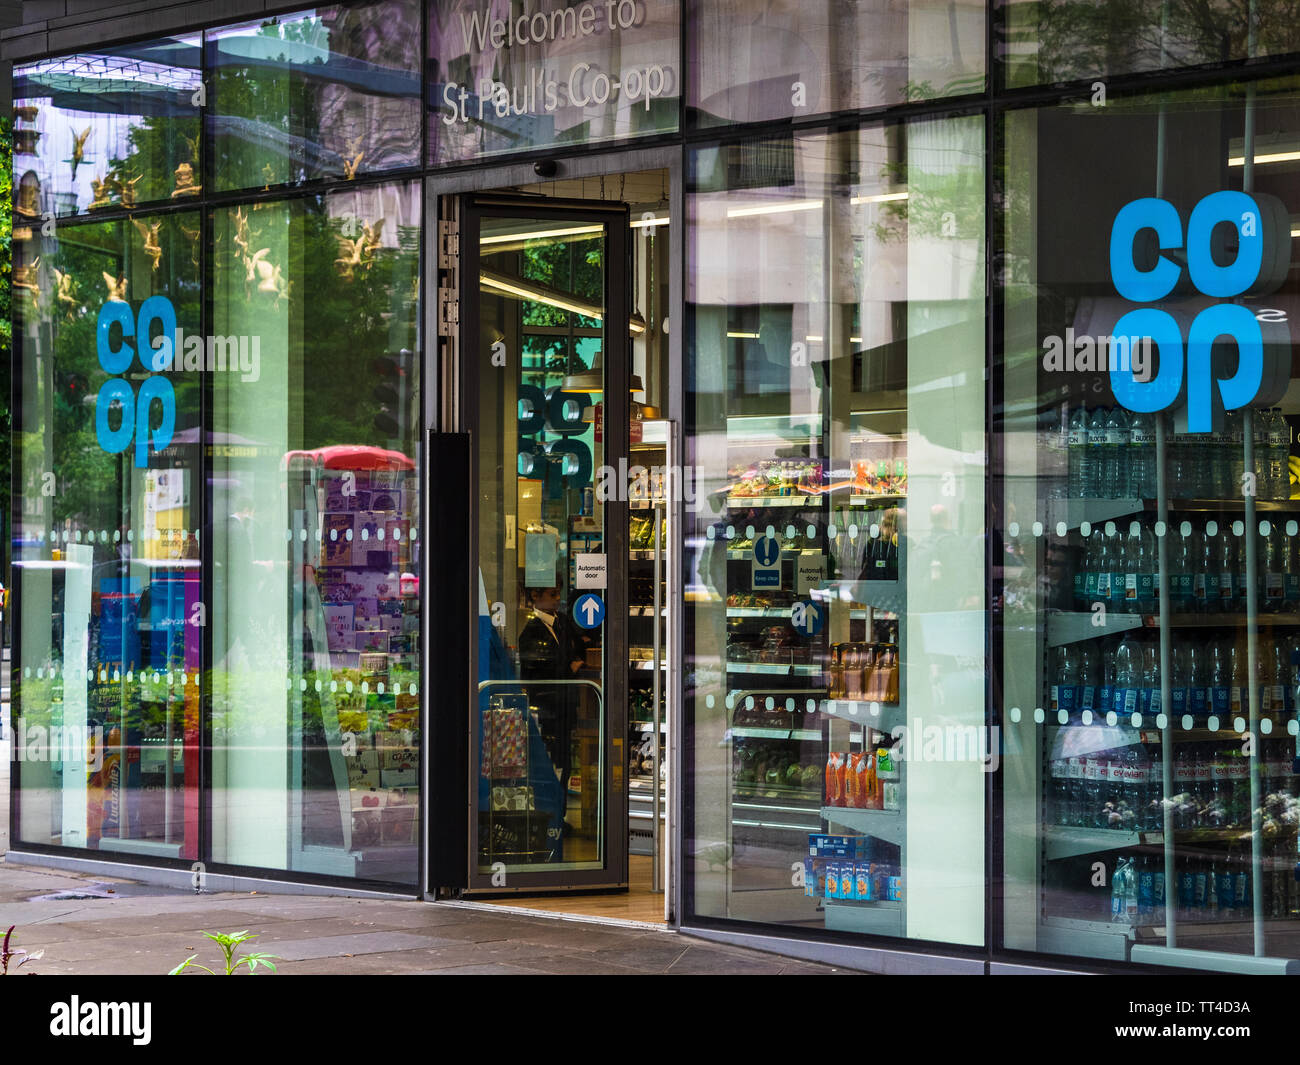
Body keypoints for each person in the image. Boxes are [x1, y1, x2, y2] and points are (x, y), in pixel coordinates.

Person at [517, 583, 588, 809]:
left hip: (564, 705)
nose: (557, 599)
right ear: (536, 596)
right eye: (552, 594)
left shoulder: (563, 621)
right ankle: (549, 811)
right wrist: (569, 668)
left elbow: (580, 648)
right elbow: (541, 669)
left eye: (558, 593)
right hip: (545, 708)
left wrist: (571, 663)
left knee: (564, 760)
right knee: (549, 761)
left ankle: (560, 811)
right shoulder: (530, 631)